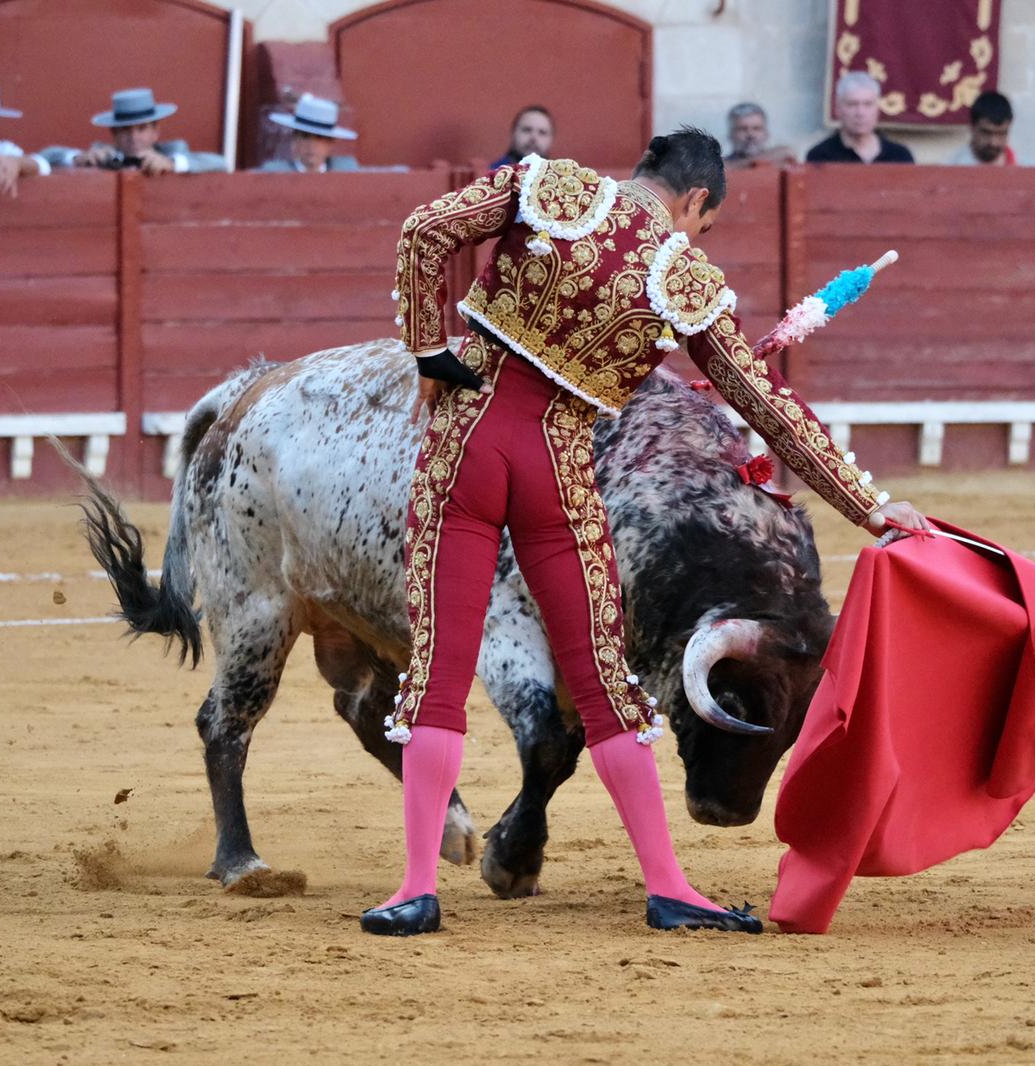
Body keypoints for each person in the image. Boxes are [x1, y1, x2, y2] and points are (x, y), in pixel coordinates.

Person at [369, 128, 928, 938]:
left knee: (440, 672)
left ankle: (417, 887)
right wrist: (871, 508)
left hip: (467, 443)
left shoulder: (552, 186)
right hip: (559, 470)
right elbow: (769, 406)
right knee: (606, 689)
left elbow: (425, 232)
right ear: (696, 199)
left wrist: (426, 350)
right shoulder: (683, 277)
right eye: (706, 223)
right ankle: (668, 885)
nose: (698, 236)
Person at [42, 88, 227, 175]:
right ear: (114, 134)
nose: (133, 137)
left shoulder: (171, 154)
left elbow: (221, 164)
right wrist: (77, 158)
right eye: (125, 130)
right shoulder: (105, 156)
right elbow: (46, 156)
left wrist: (172, 164)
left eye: (142, 128)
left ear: (156, 132)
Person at [806, 71, 913, 164]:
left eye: (867, 104)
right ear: (837, 109)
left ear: (877, 109)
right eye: (852, 104)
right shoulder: (820, 157)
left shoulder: (900, 156)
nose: (860, 113)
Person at [256, 94, 360, 172]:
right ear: (295, 141)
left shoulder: (346, 170)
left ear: (330, 144)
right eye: (305, 137)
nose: (311, 146)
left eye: (319, 138)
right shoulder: (275, 172)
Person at [945, 91, 1016, 166]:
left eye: (1001, 134)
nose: (993, 142)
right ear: (972, 128)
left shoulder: (1022, 165)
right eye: (986, 133)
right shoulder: (952, 167)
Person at [724, 102, 795, 168]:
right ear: (730, 135)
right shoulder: (719, 165)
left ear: (766, 134)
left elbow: (787, 152)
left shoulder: (781, 157)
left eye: (756, 128)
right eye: (743, 129)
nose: (750, 135)